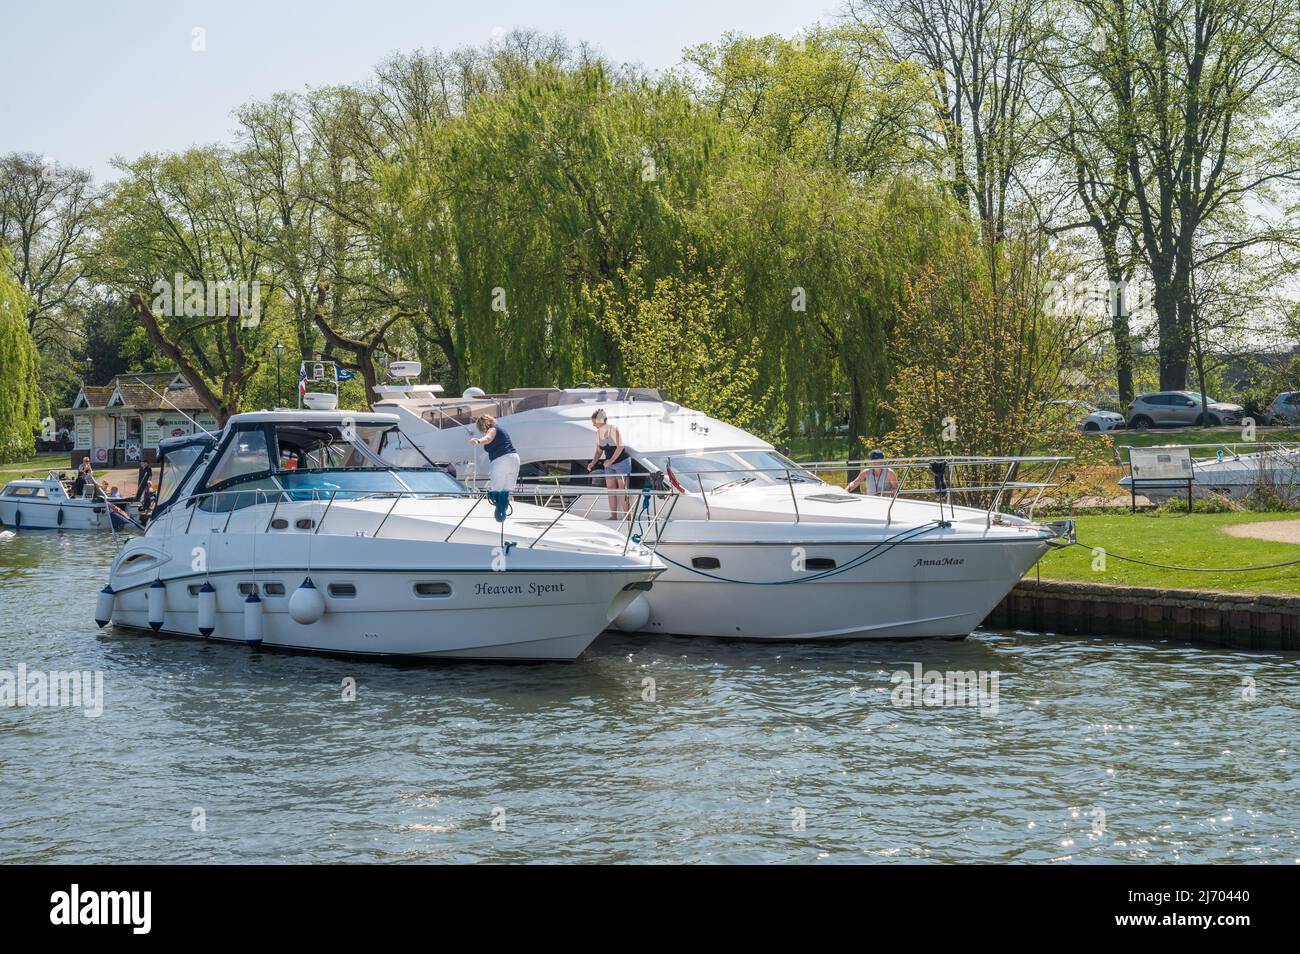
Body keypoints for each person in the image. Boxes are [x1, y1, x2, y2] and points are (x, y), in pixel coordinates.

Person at [586, 409, 631, 518]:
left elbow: (620, 447)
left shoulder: (613, 429)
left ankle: (627, 517)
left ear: (600, 420)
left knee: (622, 490)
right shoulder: (598, 433)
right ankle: (613, 516)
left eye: (594, 422)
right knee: (610, 490)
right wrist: (592, 463)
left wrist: (610, 461)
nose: (593, 424)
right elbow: (598, 451)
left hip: (622, 462)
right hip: (609, 464)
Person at [469, 414, 520, 493]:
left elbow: (488, 438)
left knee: (496, 490)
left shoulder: (492, 429)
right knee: (508, 491)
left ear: (483, 425)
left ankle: (499, 505)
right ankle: (507, 504)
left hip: (501, 460)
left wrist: (478, 441)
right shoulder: (501, 430)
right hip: (514, 459)